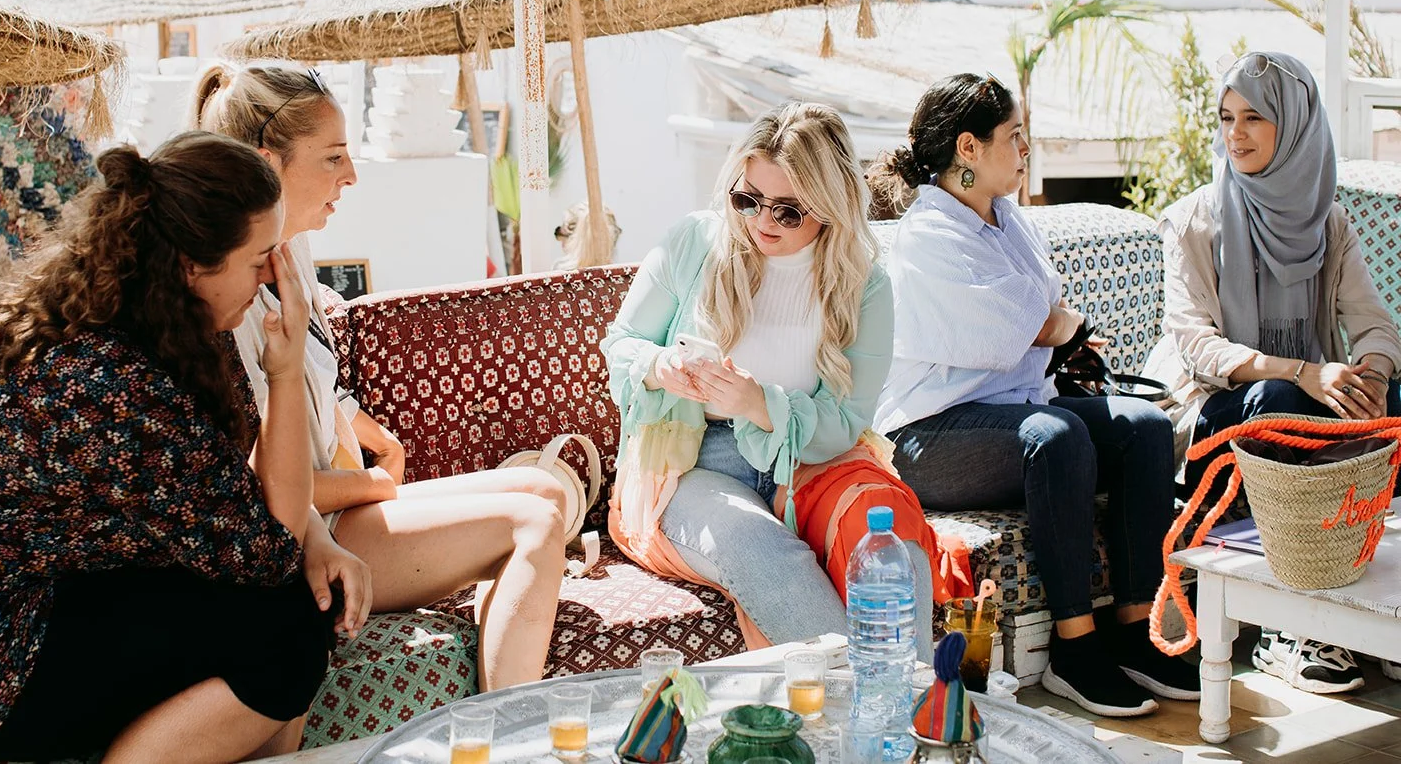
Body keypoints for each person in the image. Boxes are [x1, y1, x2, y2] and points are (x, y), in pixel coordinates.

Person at [0, 133, 371, 762]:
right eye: (261, 257)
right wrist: (286, 374)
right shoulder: (113, 380)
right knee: (288, 633)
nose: (272, 276)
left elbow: (243, 498)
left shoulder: (160, 318)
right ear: (192, 264)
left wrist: (319, 539)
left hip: (26, 597)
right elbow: (266, 554)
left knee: (289, 609)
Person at [193, 63, 566, 690]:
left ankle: (496, 643)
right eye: (332, 157)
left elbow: (316, 384)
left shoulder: (291, 250)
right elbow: (267, 491)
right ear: (266, 165)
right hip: (306, 539)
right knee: (536, 523)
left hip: (333, 509)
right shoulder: (232, 298)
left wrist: (372, 437)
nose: (352, 174)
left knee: (546, 489)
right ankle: (506, 722)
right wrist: (370, 483)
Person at [870, 73, 1198, 719]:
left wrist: (1057, 329)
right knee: (1056, 435)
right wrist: (1057, 327)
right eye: (1014, 135)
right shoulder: (926, 237)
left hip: (1012, 411)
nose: (1025, 148)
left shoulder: (1009, 219)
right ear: (969, 147)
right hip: (928, 435)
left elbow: (1039, 319)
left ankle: (1134, 630)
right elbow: (1025, 325)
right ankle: (1075, 649)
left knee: (1145, 426)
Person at [604, 101, 935, 650]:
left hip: (811, 459)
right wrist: (660, 368)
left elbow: (846, 421)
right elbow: (621, 345)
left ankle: (906, 692)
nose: (761, 222)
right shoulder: (694, 243)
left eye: (788, 212)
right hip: (691, 463)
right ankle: (882, 690)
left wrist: (759, 404)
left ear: (829, 206)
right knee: (755, 541)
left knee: (886, 527)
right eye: (748, 199)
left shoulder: (864, 285)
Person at [1146, 50, 1401, 694]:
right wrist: (1307, 371)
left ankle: (1378, 609)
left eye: (1254, 117)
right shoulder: (1194, 219)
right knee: (1275, 396)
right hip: (1213, 410)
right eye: (1226, 117)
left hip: (1298, 399)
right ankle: (1286, 629)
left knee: (1393, 400)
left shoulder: (1328, 222)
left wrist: (1371, 377)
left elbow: (1375, 325)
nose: (1235, 133)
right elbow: (1199, 347)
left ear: (1296, 127)